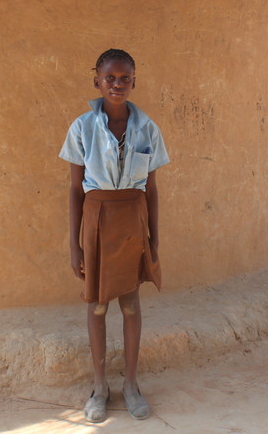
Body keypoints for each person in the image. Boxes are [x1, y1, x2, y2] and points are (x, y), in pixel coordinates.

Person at [59, 48, 170, 423]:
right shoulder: (82, 127)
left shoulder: (148, 129)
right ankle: (100, 387)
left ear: (134, 81)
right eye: (110, 78)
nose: (117, 84)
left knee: (130, 304)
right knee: (97, 304)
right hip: (97, 219)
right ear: (97, 81)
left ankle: (132, 385)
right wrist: (74, 244)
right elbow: (76, 190)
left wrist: (153, 239)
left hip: (133, 221)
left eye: (124, 78)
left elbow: (151, 190)